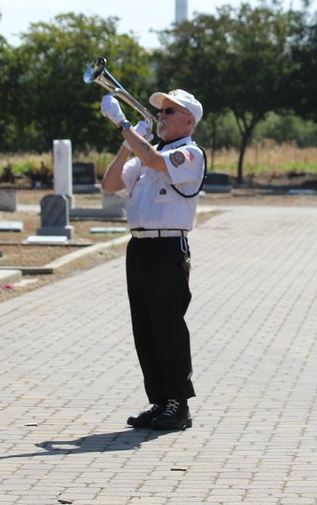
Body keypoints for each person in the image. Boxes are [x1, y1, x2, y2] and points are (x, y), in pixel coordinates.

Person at [100, 88, 206, 431]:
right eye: (160, 111)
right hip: (140, 248)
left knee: (168, 327)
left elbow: (157, 163)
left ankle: (179, 404)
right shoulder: (146, 154)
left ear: (189, 120)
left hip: (167, 248)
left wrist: (121, 123)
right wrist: (127, 143)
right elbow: (110, 183)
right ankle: (160, 401)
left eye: (169, 112)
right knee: (144, 328)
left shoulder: (190, 153)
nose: (160, 116)